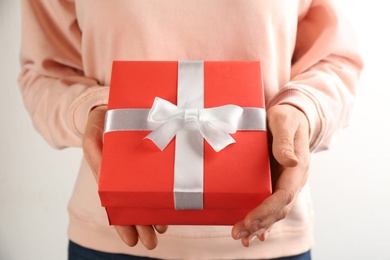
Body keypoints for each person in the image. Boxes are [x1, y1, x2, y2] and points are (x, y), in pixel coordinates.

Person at [18, 0, 363, 259]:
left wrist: (302, 110)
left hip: (268, 235)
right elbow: (45, 73)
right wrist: (89, 111)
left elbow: (333, 60)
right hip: (111, 234)